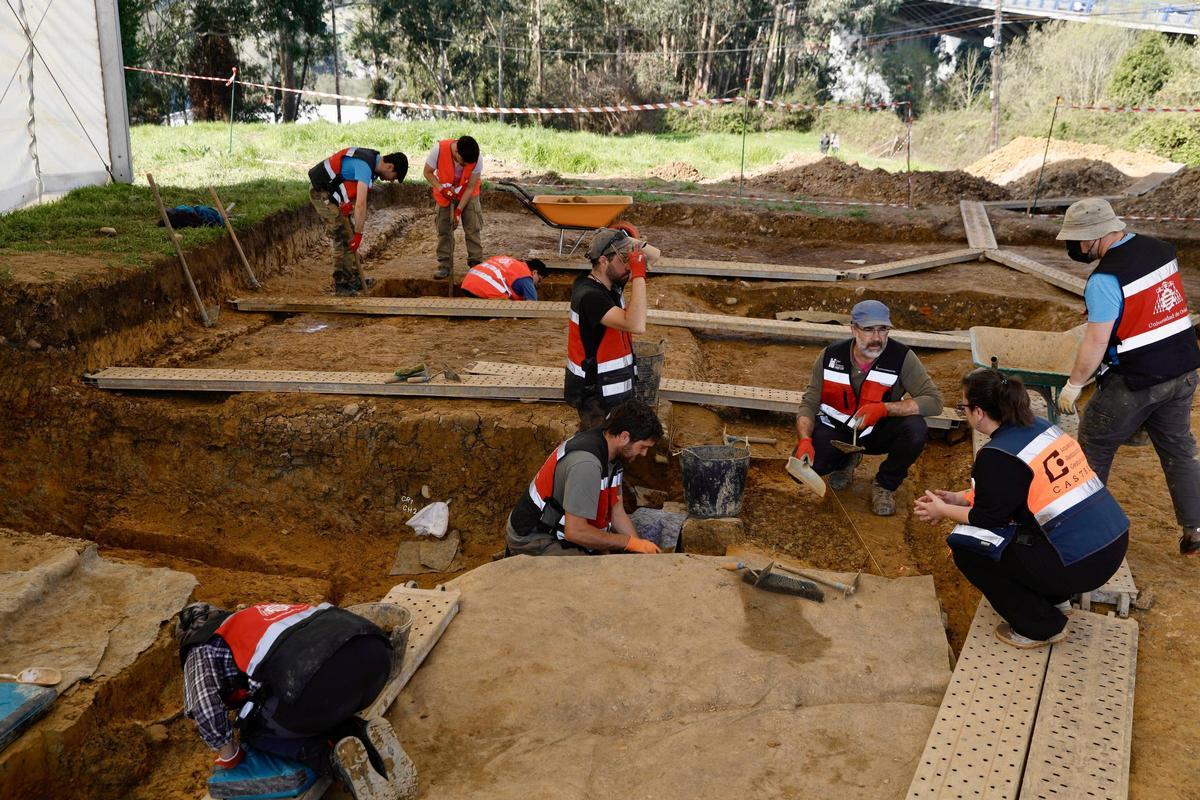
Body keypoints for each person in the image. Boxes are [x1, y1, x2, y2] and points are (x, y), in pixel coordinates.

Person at [915, 369, 1129, 648]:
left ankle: (1040, 626)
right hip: (1111, 545)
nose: (964, 412)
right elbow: (1016, 490)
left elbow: (988, 518)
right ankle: (1054, 598)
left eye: (964, 406)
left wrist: (942, 510)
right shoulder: (1040, 428)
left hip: (1078, 564)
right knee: (1023, 531)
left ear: (978, 412)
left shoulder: (996, 455)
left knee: (968, 547)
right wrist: (960, 497)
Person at [1054, 198, 1200, 556]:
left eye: (1076, 241)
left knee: (1093, 445)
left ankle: (1084, 530)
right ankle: (1195, 528)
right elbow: (1151, 304)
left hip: (1137, 379)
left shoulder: (1105, 278)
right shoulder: (1160, 249)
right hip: (1183, 369)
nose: (1074, 248)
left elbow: (1096, 340)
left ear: (1093, 237)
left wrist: (1074, 385)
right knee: (1179, 449)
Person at [177, 601, 413, 799]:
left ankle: (333, 758)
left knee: (258, 731)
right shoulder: (257, 614)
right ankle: (367, 736)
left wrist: (230, 754)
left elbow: (204, 708)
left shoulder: (200, 646)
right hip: (376, 656)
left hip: (321, 683)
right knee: (312, 704)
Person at [792, 299, 943, 516]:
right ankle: (845, 460)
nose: (876, 338)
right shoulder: (830, 356)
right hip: (838, 432)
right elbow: (809, 403)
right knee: (802, 470)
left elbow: (934, 401)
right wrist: (805, 440)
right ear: (853, 329)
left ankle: (884, 485)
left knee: (915, 429)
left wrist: (884, 409)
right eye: (869, 330)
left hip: (877, 431)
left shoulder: (901, 358)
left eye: (883, 330)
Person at [506, 400, 664, 556]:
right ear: (624, 436)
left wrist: (637, 547)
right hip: (533, 538)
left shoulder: (614, 454)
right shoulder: (586, 464)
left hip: (560, 532)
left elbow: (617, 513)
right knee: (598, 576)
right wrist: (627, 542)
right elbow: (576, 532)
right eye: (643, 447)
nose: (643, 454)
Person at [563, 228, 651, 430]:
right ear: (603, 261)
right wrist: (639, 274)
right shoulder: (590, 296)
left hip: (612, 389)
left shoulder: (610, 284)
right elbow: (636, 324)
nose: (628, 265)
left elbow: (656, 254)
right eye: (622, 259)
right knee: (600, 448)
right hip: (597, 396)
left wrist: (630, 241)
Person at [308, 147, 407, 295]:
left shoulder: (373, 164)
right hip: (321, 193)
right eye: (393, 177)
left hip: (333, 193)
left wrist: (348, 206)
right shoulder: (365, 167)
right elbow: (361, 204)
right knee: (341, 235)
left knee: (349, 233)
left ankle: (352, 278)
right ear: (389, 166)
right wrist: (359, 234)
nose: (391, 181)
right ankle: (341, 285)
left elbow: (353, 192)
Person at [423, 135, 483, 280]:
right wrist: (441, 188)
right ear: (456, 152)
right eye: (463, 162)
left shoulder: (477, 158)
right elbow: (427, 172)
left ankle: (476, 264)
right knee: (444, 229)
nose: (464, 166)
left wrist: (458, 210)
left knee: (472, 227)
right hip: (445, 193)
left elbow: (470, 187)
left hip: (468, 194)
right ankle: (445, 265)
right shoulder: (438, 150)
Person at [459, 255, 548, 300]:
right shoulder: (525, 276)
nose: (537, 285)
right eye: (539, 280)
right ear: (534, 272)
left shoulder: (510, 261)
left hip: (467, 284)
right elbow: (532, 304)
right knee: (508, 304)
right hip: (481, 289)